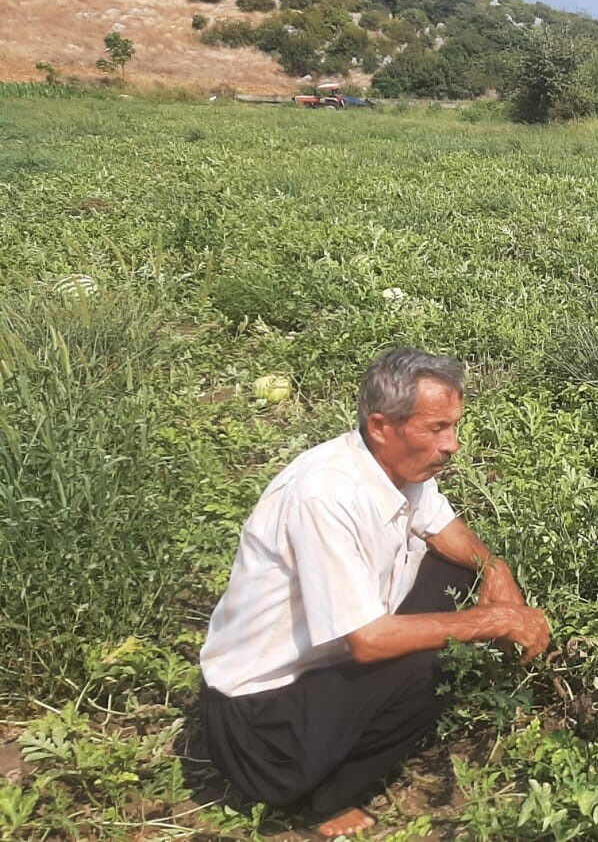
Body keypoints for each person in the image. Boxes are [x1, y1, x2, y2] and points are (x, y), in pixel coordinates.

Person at [197, 347, 551, 838]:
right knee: (437, 657)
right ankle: (320, 798)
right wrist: (494, 621)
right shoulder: (326, 495)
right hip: (262, 728)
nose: (452, 445)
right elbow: (368, 641)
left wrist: (495, 568)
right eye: (436, 429)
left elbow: (443, 527)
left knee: (458, 577)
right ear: (382, 426)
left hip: (318, 673)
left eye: (453, 426)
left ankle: (344, 746)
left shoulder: (395, 466)